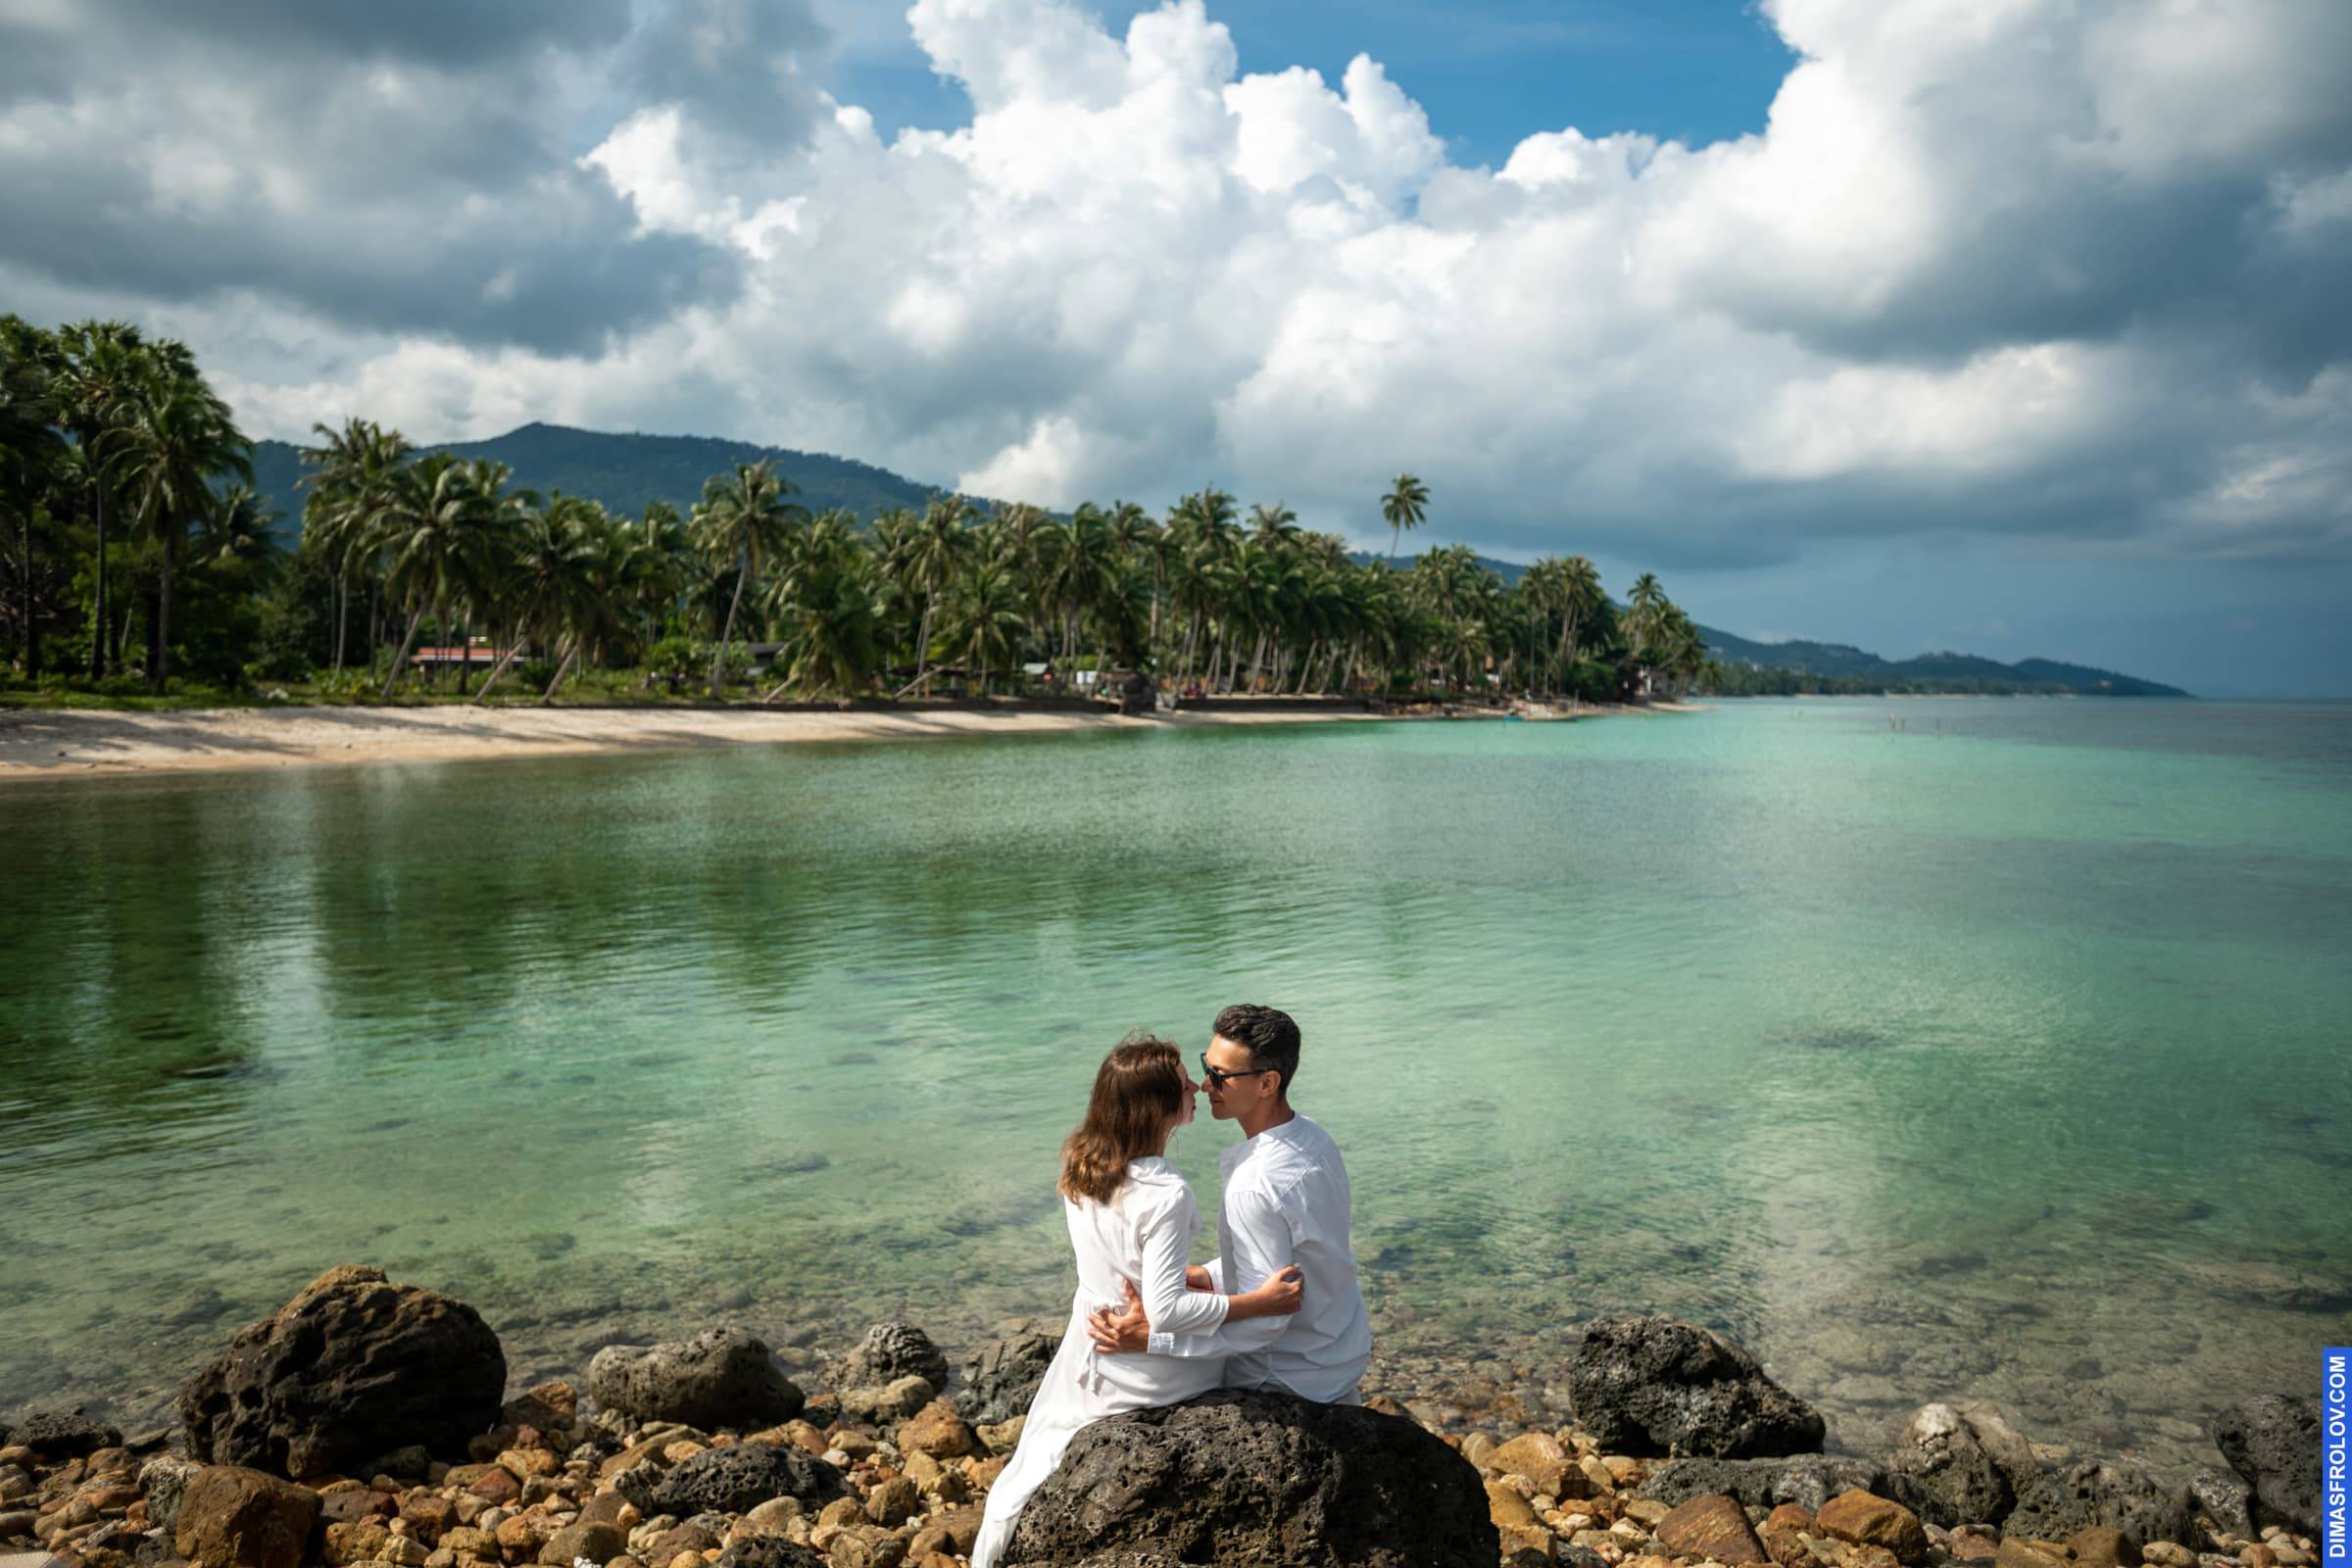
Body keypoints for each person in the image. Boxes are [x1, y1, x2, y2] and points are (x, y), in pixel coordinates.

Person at [968, 1033, 1304, 1568]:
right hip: (1152, 1375)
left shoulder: (1083, 1162)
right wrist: (1257, 1303)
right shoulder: (1165, 1194)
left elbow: (1123, 1267)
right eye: (1184, 1084)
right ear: (1157, 1108)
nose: (1198, 1087)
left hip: (1091, 1342)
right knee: (1246, 1358)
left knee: (1030, 1457)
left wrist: (1192, 1276)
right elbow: (1167, 1311)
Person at [1086, 1003, 1370, 1403]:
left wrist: (1152, 1339)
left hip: (1283, 1375)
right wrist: (1213, 1275)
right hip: (1341, 1348)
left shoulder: (1252, 1186)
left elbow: (1267, 1322)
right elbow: (1304, 1251)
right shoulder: (1313, 1138)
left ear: (1267, 1083)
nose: (1204, 1085)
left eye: (1219, 1076)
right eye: (1207, 1066)